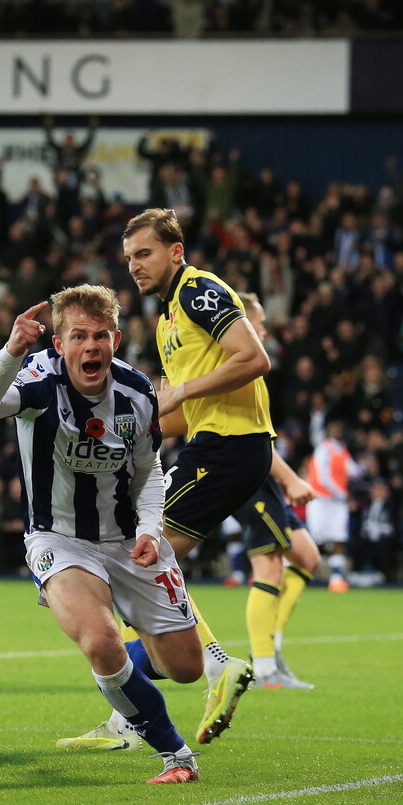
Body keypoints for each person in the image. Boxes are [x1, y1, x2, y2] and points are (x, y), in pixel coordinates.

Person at [0, 287, 203, 784]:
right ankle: (175, 754)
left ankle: (121, 674)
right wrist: (11, 350)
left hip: (128, 539)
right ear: (59, 344)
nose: (90, 346)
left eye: (99, 336)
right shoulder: (38, 379)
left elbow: (149, 471)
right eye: (78, 336)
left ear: (115, 339)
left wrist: (150, 529)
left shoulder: (137, 392)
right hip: (59, 538)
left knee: (186, 667)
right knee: (99, 641)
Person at [60, 207, 275, 750]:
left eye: (145, 253)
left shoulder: (200, 291)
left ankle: (215, 667)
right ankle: (133, 714)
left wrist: (179, 391)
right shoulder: (166, 321)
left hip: (230, 445)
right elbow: (178, 414)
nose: (134, 265)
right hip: (217, 443)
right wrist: (127, 434)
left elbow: (253, 359)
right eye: (129, 257)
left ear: (175, 251)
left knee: (137, 555)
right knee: (138, 563)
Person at [228, 293, 322, 689]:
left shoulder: (254, 371)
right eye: (259, 323)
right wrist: (290, 479)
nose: (264, 331)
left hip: (261, 472)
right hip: (247, 475)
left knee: (307, 557)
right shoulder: (240, 369)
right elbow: (252, 440)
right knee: (269, 567)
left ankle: (272, 643)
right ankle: (264, 666)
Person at [307, 418, 363, 593]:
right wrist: (341, 493)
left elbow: (354, 471)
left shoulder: (343, 451)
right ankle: (298, 571)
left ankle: (336, 578)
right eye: (334, 428)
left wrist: (364, 466)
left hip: (337, 504)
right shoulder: (324, 449)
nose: (338, 431)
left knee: (339, 537)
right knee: (314, 539)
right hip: (321, 500)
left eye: (340, 428)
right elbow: (323, 477)